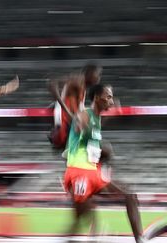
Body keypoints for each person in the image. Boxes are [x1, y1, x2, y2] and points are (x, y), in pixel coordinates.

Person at [63, 84, 145, 243]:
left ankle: (140, 239)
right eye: (108, 97)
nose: (112, 101)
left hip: (93, 172)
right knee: (80, 219)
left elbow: (93, 130)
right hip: (79, 173)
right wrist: (79, 125)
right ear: (96, 98)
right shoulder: (85, 115)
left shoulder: (97, 118)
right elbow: (79, 122)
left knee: (130, 196)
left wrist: (110, 118)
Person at [49, 63, 102, 149]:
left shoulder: (83, 86)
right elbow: (53, 83)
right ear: (89, 73)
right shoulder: (77, 80)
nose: (99, 78)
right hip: (65, 119)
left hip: (71, 119)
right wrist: (65, 109)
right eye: (98, 74)